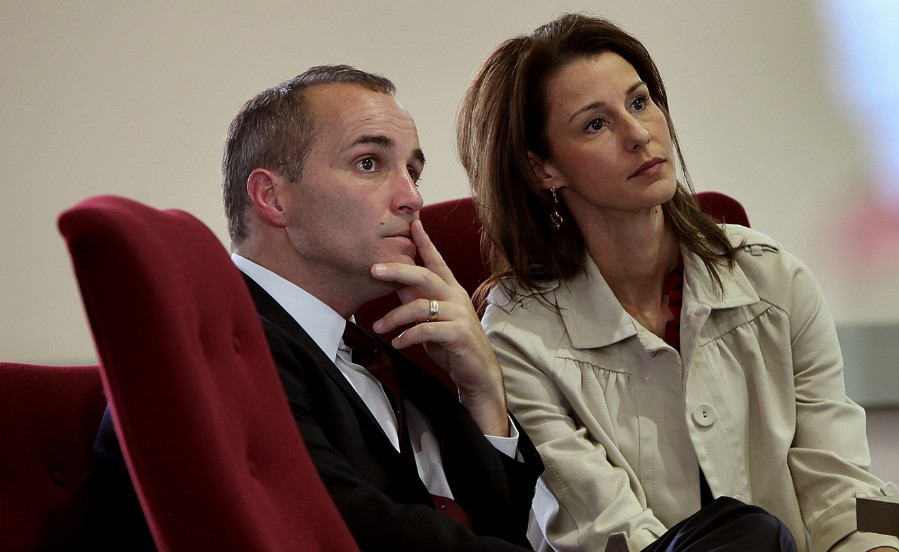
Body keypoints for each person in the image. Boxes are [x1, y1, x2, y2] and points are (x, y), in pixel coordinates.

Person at [456, 13, 899, 552]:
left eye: (640, 101)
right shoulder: (518, 334)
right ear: (543, 170)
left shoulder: (775, 279)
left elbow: (839, 492)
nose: (639, 133)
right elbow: (607, 528)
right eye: (595, 124)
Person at [64, 65, 543, 552]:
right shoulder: (218, 353)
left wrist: (482, 392)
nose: (413, 198)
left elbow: (503, 528)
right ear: (272, 197)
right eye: (369, 163)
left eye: (413, 172)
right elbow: (341, 530)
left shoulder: (381, 355)